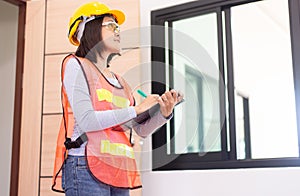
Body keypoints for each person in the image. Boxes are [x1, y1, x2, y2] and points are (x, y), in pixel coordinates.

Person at [52, 2, 183, 196]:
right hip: (84, 166)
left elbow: (139, 129)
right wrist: (137, 109)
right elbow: (87, 121)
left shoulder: (119, 82)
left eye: (118, 27)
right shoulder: (76, 65)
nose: (118, 31)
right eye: (111, 25)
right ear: (89, 28)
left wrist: (164, 113)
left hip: (117, 169)